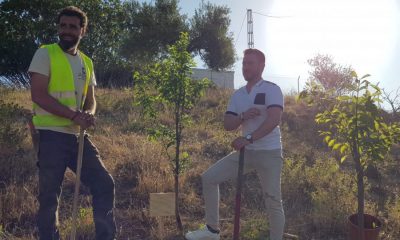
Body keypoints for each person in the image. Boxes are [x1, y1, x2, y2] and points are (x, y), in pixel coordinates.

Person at [29, 6, 116, 240]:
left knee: (104, 184)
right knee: (49, 198)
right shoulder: (45, 54)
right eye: (63, 26)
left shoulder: (87, 62)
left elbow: (91, 100)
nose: (66, 31)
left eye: (72, 27)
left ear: (82, 31)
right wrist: (73, 115)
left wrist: (88, 114)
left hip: (78, 136)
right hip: (51, 136)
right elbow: (38, 94)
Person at [185, 49, 285, 240]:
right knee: (209, 178)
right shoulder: (238, 95)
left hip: (269, 152)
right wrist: (242, 116)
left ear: (262, 66)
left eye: (251, 63)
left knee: (273, 199)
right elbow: (228, 125)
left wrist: (248, 138)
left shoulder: (272, 89)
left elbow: (274, 120)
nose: (246, 67)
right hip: (246, 152)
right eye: (244, 63)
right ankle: (212, 231)